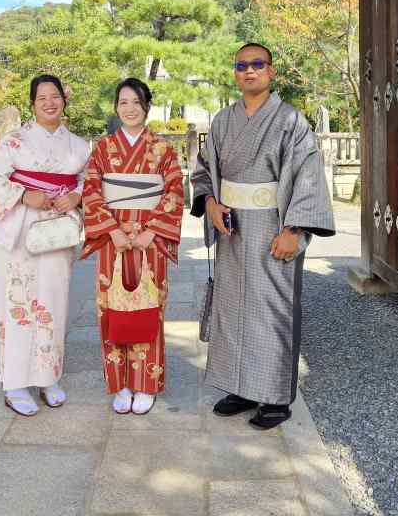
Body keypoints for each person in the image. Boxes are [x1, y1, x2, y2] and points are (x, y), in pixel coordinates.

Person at [190, 43, 335, 429]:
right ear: (235, 73)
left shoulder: (290, 121)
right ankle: (240, 387)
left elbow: (307, 174)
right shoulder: (222, 121)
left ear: (271, 72)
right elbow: (204, 171)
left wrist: (295, 228)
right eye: (242, 65)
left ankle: (273, 396)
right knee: (233, 308)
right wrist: (210, 205)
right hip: (231, 228)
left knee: (272, 309)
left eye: (257, 64)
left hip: (273, 225)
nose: (249, 71)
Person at [0, 74, 90, 416]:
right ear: (32, 104)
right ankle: (14, 383)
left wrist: (76, 196)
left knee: (53, 302)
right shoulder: (14, 142)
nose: (49, 102)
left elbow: (90, 180)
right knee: (17, 304)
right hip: (19, 228)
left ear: (63, 100)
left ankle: (48, 376)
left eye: (54, 96)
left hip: (57, 230)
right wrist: (25, 195)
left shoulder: (79, 145)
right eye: (41, 98)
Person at [82, 78, 184, 415]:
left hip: (148, 240)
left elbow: (173, 193)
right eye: (122, 102)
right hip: (113, 240)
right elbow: (91, 190)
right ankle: (121, 383)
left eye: (135, 102)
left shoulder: (163, 149)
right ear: (116, 107)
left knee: (148, 304)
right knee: (112, 307)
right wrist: (111, 230)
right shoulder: (102, 148)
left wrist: (151, 232)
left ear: (147, 107)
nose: (129, 109)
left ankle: (146, 383)